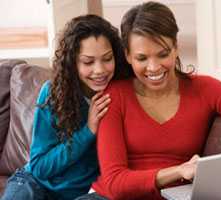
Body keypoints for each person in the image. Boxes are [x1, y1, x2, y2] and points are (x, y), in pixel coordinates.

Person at [88, 2, 221, 200]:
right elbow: (115, 182)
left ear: (176, 47)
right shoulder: (114, 95)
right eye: (142, 58)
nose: (153, 67)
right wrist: (179, 171)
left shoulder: (206, 89)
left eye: (162, 54)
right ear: (127, 55)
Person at [0, 14, 131, 200]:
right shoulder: (54, 93)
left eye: (107, 59)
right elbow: (39, 167)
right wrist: (88, 131)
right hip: (34, 183)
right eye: (88, 62)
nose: (100, 70)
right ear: (72, 62)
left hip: (80, 193)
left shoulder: (120, 93)